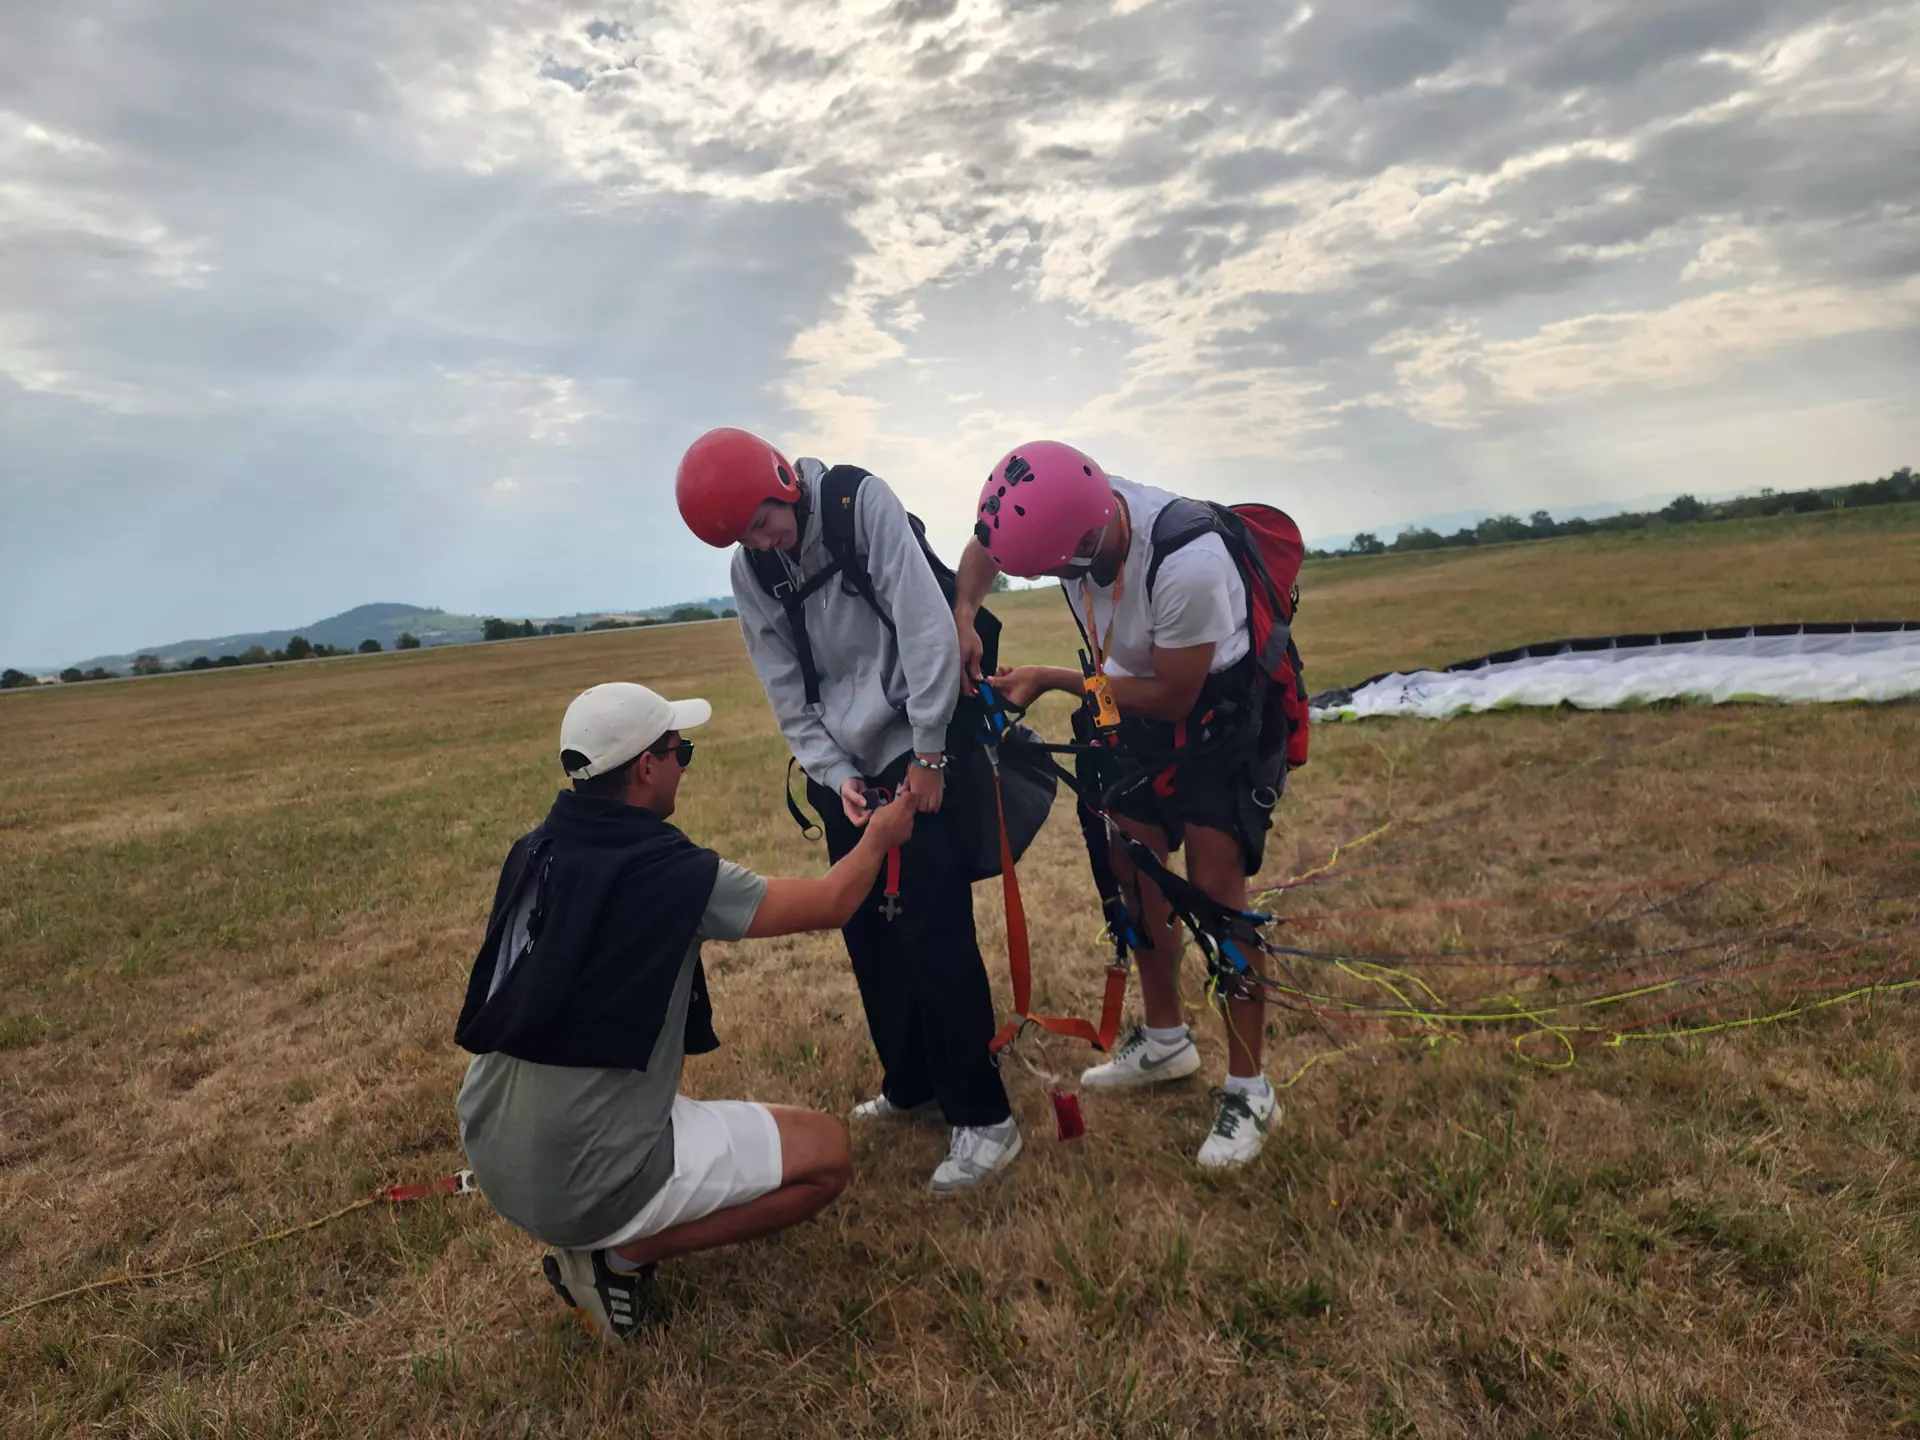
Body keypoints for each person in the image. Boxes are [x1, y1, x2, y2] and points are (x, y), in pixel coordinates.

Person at [454, 680, 918, 1344]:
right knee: (828, 1157)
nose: (683, 764)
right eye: (682, 751)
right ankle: (618, 1259)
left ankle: (601, 1226)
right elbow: (831, 902)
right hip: (581, 1179)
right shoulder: (676, 874)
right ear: (647, 766)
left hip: (491, 1142)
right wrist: (880, 835)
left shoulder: (535, 849)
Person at [675, 426, 1022, 1193]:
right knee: (868, 927)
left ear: (781, 479)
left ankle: (985, 1116)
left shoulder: (858, 502)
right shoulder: (753, 571)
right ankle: (912, 1081)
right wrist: (833, 776)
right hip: (848, 769)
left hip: (917, 739)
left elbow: (928, 627)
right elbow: (782, 684)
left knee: (932, 924)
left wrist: (928, 754)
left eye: (763, 520)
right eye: (743, 535)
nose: (762, 541)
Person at [950, 440, 1281, 1168]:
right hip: (1124, 708)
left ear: (1089, 539)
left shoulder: (1187, 562)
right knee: (1132, 874)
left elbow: (1174, 693)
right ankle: (1165, 1041)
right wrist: (966, 608)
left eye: (1048, 572)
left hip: (1212, 717)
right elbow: (986, 547)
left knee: (1216, 899)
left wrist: (1049, 678)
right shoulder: (1058, 505)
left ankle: (1251, 1088)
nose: (1035, 579)